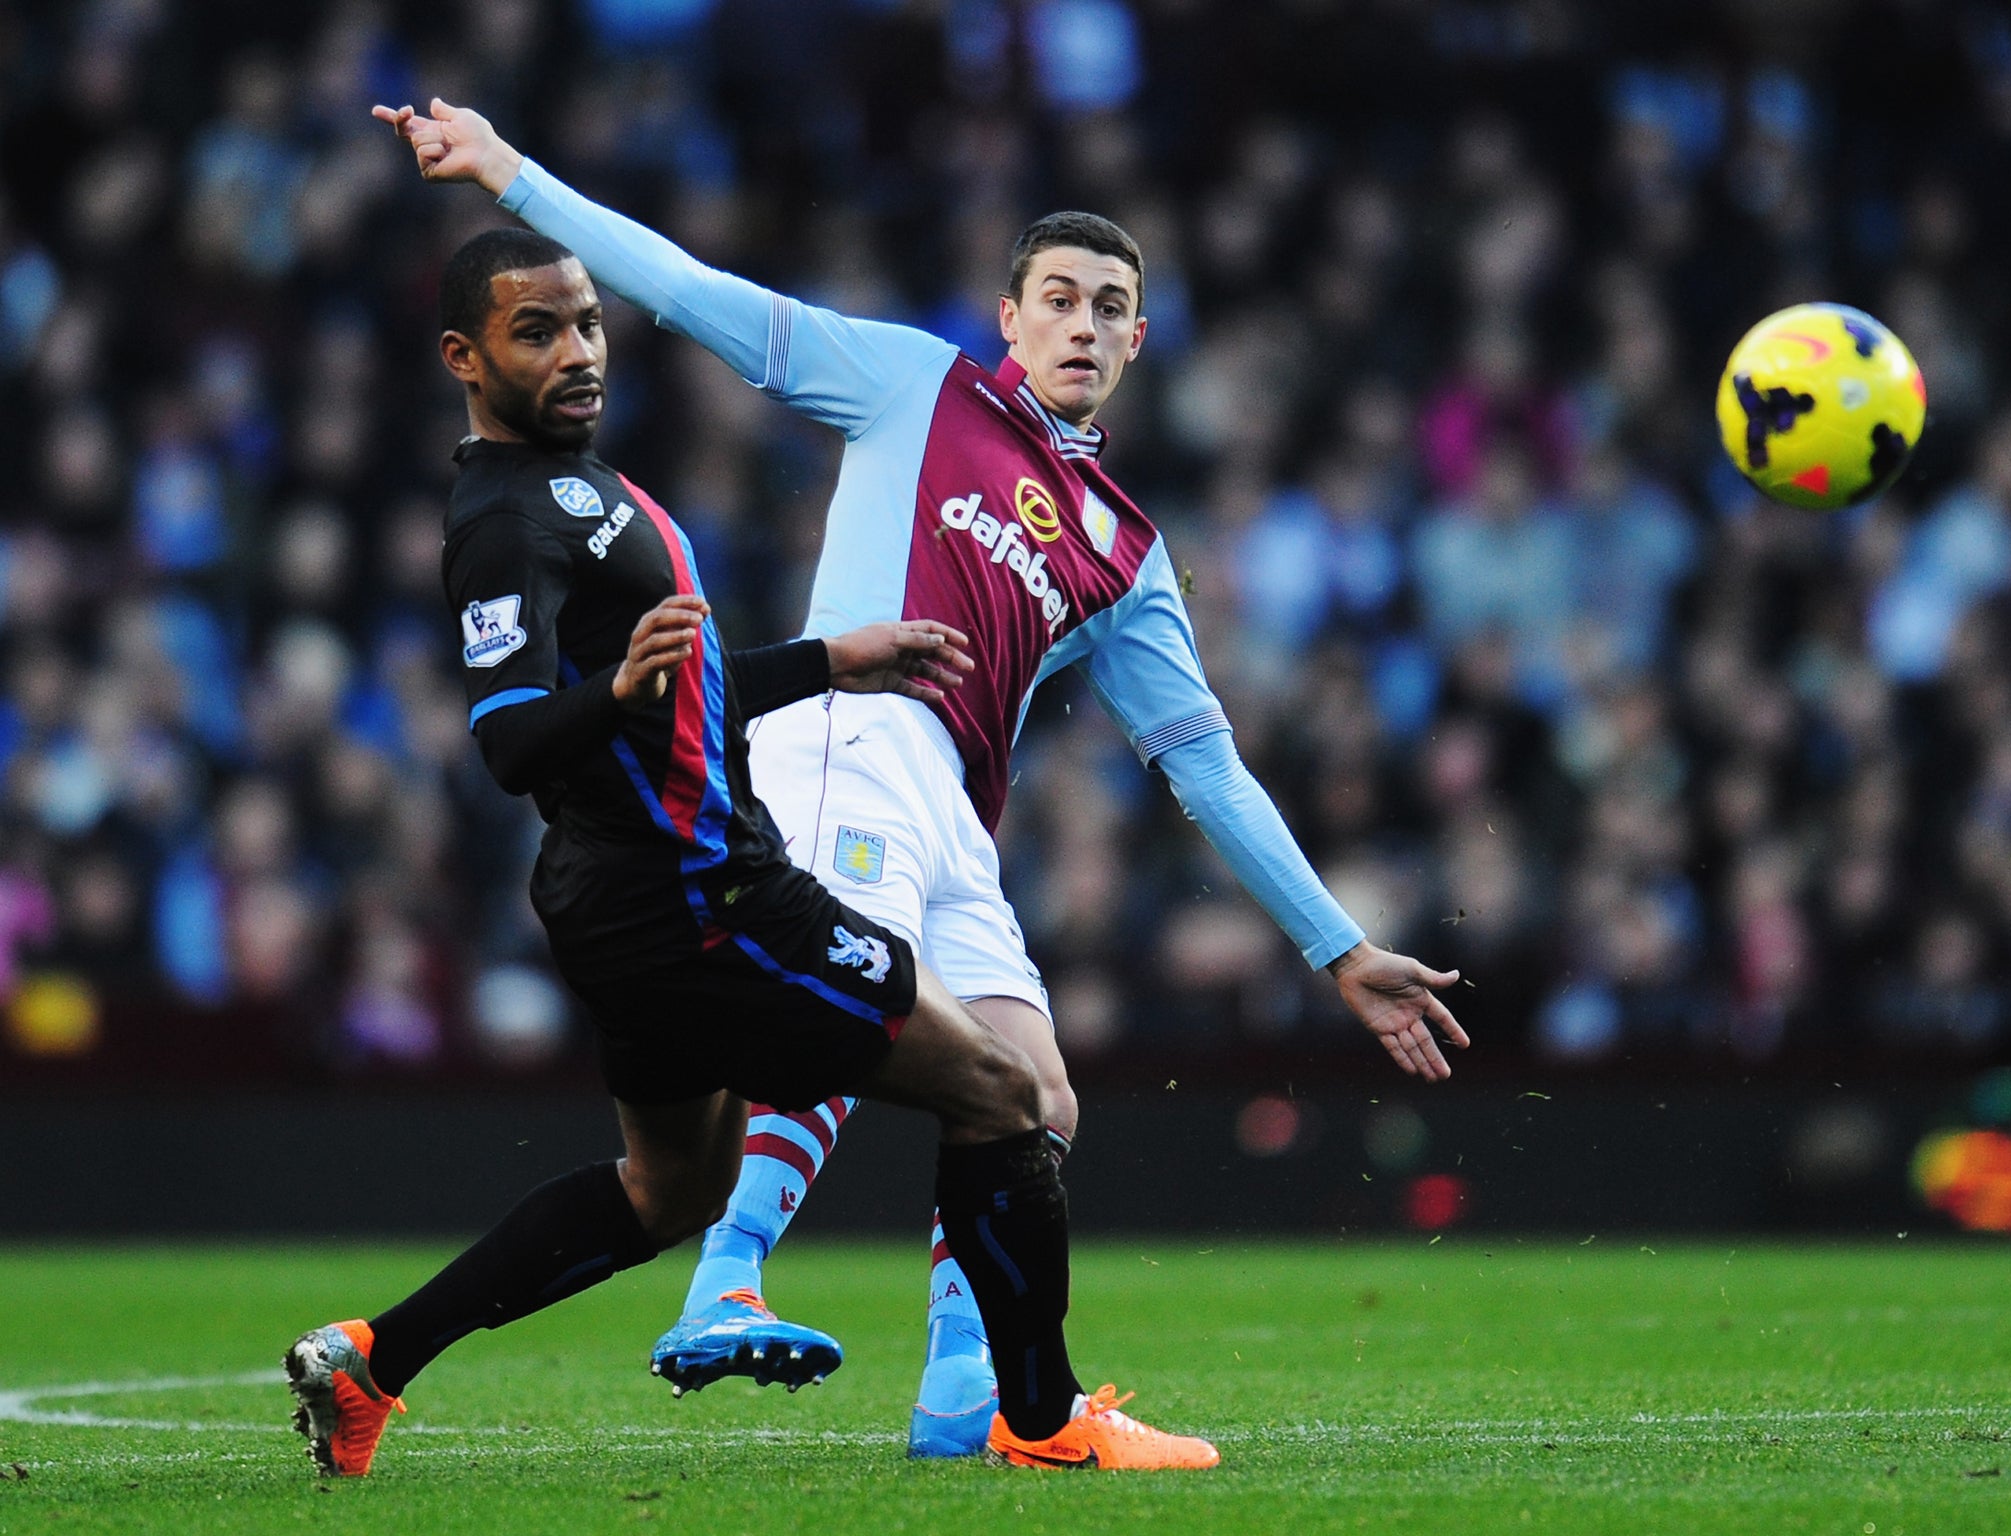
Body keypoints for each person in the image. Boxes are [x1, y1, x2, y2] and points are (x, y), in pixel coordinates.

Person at [377, 97, 1467, 1461]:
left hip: (956, 805)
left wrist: (1336, 946)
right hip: (844, 738)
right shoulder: (913, 383)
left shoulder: (1126, 554)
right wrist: (512, 174)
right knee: (861, 1010)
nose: (1083, 323)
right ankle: (727, 1283)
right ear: (1006, 319)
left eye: (1111, 306)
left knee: (1035, 1092)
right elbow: (693, 292)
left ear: (1137, 344)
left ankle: (966, 1393)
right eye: (1057, 298)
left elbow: (1207, 767)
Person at [282, 223, 1221, 1477]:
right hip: (704, 894)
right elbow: (508, 738)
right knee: (1002, 1095)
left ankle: (372, 1363)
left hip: (623, 898)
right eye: (536, 331)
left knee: (665, 1189)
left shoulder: (582, 487)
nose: (577, 352)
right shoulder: (503, 521)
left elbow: (681, 691)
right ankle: (1041, 1424)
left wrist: (826, 661)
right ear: (464, 356)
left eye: (586, 324)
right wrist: (616, 689)